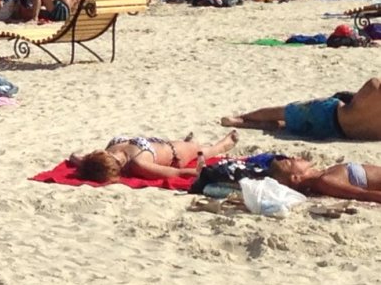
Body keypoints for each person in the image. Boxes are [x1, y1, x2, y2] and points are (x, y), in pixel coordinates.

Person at [220, 77, 381, 140]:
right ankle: (244, 123)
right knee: (283, 126)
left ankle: (239, 118)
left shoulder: (374, 86)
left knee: (281, 112)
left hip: (328, 114)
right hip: (338, 133)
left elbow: (354, 103)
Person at [69, 130, 239, 183]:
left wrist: (83, 162)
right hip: (175, 154)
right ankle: (223, 145)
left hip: (157, 143)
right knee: (204, 150)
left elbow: (74, 156)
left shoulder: (105, 156)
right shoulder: (138, 164)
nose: (109, 152)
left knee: (189, 144)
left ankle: (189, 142)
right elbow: (176, 174)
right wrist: (201, 173)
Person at [269, 157, 381, 203]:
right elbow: (362, 195)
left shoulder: (324, 173)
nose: (293, 158)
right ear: (295, 178)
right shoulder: (325, 181)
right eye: (290, 163)